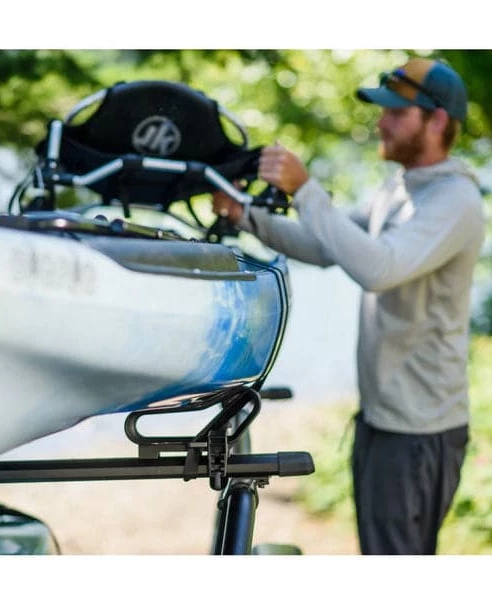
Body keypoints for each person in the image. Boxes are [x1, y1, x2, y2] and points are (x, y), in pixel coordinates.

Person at [212, 58, 486, 555]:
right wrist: (245, 215)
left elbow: (378, 268)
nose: (381, 121)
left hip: (417, 431)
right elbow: (327, 246)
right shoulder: (400, 188)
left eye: (397, 113)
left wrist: (305, 189)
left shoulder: (455, 201)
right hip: (383, 421)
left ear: (438, 121)